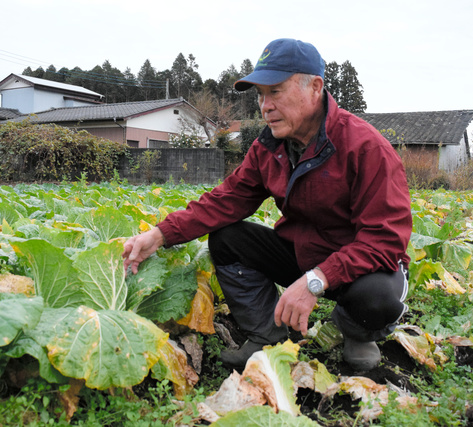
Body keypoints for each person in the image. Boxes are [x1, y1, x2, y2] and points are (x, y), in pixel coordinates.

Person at [122, 38, 412, 372]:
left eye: (275, 91)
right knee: (227, 238)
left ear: (315, 87)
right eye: (260, 94)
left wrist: (317, 279)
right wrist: (158, 235)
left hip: (360, 269)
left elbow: (385, 240)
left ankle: (356, 332)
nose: (264, 105)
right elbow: (226, 200)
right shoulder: (269, 146)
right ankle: (266, 334)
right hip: (303, 254)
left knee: (377, 299)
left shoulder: (365, 147)